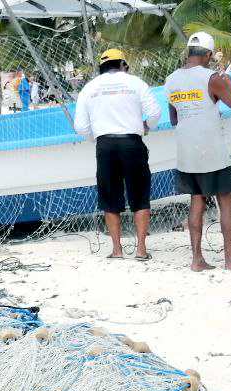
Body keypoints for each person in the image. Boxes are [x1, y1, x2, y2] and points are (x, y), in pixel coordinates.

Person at [165, 32, 231, 272]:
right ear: (209, 55)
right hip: (211, 150)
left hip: (186, 151)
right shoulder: (213, 78)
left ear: (189, 52)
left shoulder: (170, 80)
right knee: (226, 202)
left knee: (196, 202)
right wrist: (228, 82)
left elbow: (174, 118)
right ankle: (230, 261)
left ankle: (197, 260)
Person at [74, 48, 160, 260]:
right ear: (122, 64)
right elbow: (155, 113)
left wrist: (99, 138)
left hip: (105, 145)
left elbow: (80, 126)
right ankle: (141, 250)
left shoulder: (89, 88)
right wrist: (146, 126)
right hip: (131, 142)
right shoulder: (136, 83)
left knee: (110, 199)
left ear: (101, 67)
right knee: (140, 196)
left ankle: (117, 250)